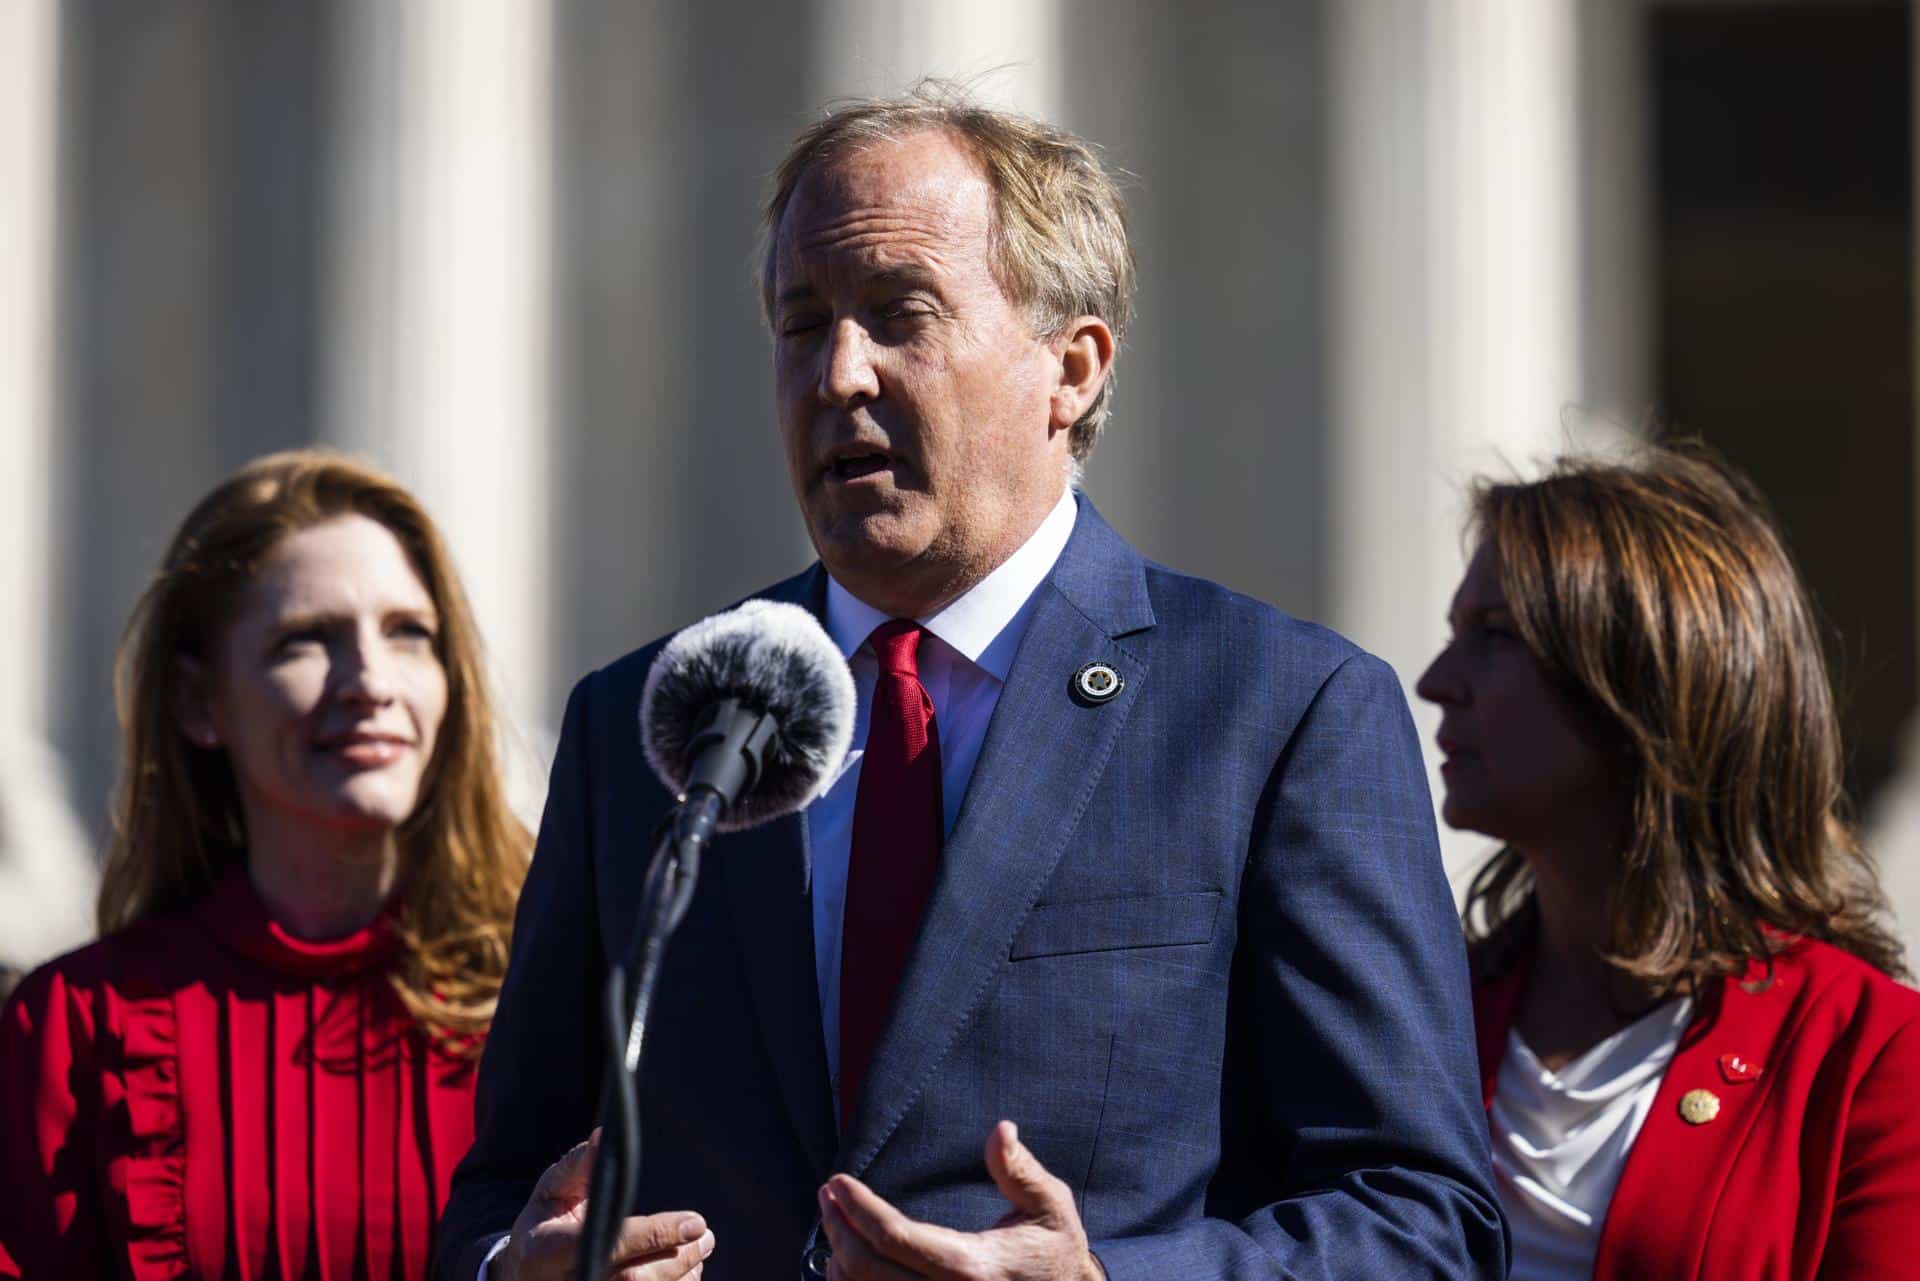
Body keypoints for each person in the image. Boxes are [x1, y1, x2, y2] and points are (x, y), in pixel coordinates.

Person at [436, 87, 1504, 1281]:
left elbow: (1421, 1223)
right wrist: (515, 1269)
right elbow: (499, 1188)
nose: (839, 373)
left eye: (900, 315)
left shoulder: (1279, 714)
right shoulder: (648, 724)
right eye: (803, 324)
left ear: (1073, 369)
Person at [0, 451, 533, 1281]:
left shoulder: (557, 1000)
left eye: (408, 634)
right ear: (198, 703)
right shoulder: (74, 1026)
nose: (370, 682)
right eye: (304, 642)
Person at [1415, 445, 1920, 1281]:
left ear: (1648, 676)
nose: (1437, 681)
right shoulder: (1424, 1022)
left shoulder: (1870, 1059)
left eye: (1495, 636)